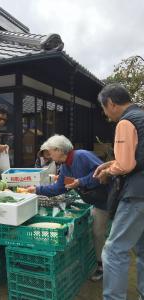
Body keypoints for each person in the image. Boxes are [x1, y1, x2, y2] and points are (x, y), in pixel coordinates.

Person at [27, 135, 109, 281]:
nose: (50, 155)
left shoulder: (82, 156)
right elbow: (59, 188)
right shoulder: (65, 167)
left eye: (51, 152)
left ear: (59, 150)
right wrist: (36, 190)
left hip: (112, 199)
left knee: (121, 237)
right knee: (98, 233)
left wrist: (80, 182)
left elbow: (103, 172)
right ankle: (102, 266)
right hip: (98, 203)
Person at [93, 83, 144, 300]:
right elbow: (137, 156)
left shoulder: (126, 121)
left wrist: (108, 172)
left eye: (104, 108)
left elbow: (125, 165)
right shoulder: (141, 116)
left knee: (114, 252)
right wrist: (112, 163)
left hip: (136, 194)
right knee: (142, 249)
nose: (106, 114)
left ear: (111, 103)